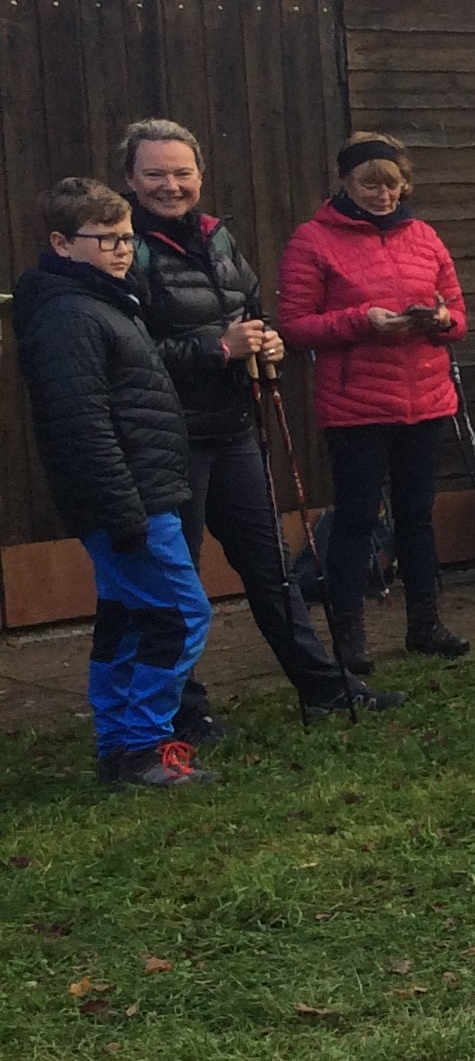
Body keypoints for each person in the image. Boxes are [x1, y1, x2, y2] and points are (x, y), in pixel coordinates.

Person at [118, 120, 383, 727]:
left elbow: (252, 310)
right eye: (155, 174)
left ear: (200, 176)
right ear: (130, 179)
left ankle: (324, 688)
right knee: (171, 584)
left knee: (271, 568)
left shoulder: (217, 238)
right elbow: (128, 353)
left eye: (182, 173)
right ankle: (182, 712)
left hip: (233, 428)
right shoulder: (124, 248)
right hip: (167, 439)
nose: (170, 186)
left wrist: (266, 344)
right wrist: (220, 349)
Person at [13, 178, 214, 786]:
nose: (122, 250)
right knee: (180, 616)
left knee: (128, 618)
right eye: (106, 240)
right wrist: (122, 510)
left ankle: (120, 746)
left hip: (140, 491)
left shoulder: (103, 301)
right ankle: (144, 744)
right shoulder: (69, 314)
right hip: (128, 500)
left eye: (127, 238)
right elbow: (80, 424)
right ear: (61, 243)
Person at [275, 136, 472, 674]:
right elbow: (294, 325)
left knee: (417, 516)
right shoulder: (312, 241)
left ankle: (425, 624)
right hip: (355, 403)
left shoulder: (425, 237)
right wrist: (363, 321)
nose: (383, 194)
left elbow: (458, 315)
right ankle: (350, 638)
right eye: (370, 184)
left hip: (426, 399)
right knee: (356, 519)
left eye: (392, 183)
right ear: (345, 184)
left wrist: (438, 321)